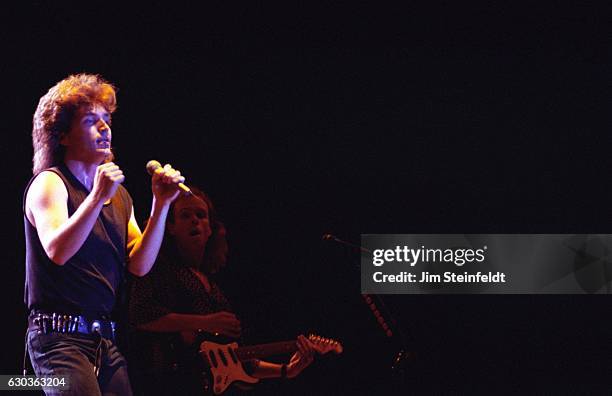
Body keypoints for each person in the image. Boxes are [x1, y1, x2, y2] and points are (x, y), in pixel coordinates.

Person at [24, 73, 185, 395]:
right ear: (63, 136)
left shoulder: (119, 196)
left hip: (105, 339)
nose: (104, 128)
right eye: (89, 121)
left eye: (106, 119)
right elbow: (57, 250)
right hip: (58, 338)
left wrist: (161, 204)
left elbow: (140, 264)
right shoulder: (51, 183)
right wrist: (97, 198)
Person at [128, 187, 315, 395]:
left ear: (210, 229)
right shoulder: (159, 266)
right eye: (185, 215)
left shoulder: (212, 285)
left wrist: (286, 370)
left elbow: (235, 360)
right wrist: (204, 322)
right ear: (170, 226)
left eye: (201, 215)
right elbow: (141, 314)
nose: (195, 221)